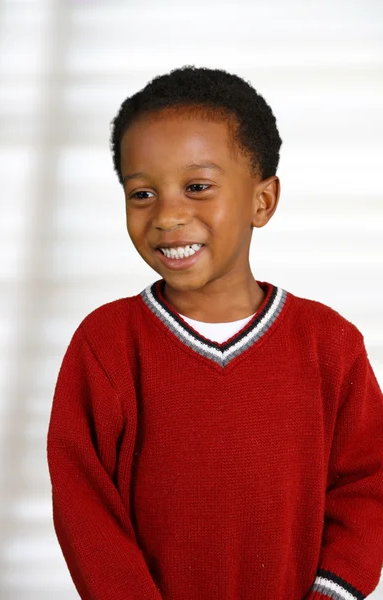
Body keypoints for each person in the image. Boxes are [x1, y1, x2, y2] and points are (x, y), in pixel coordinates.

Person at [46, 65, 383, 600]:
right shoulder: (106, 344)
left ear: (262, 201)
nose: (167, 215)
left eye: (197, 186)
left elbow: (368, 486)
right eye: (142, 194)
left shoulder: (330, 344)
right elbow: (82, 500)